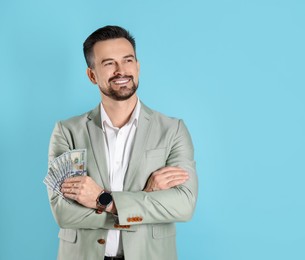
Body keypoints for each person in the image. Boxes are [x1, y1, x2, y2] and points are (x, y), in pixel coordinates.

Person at [47, 25, 198, 260]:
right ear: (92, 75)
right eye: (109, 63)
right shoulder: (67, 132)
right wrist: (144, 199)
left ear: (137, 66)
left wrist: (103, 200)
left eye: (128, 60)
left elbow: (183, 205)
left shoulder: (172, 130)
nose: (121, 71)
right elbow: (63, 212)